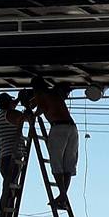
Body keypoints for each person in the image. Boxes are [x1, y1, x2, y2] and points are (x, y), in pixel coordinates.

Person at [30, 77, 78, 209]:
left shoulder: (41, 95)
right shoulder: (53, 94)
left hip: (58, 128)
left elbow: (38, 111)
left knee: (57, 164)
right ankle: (63, 196)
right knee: (68, 164)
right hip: (72, 128)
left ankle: (62, 195)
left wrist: (29, 111)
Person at [0, 92, 33, 217]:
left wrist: (19, 99)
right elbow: (27, 119)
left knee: (10, 191)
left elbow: (13, 107)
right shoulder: (9, 115)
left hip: (6, 158)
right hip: (11, 159)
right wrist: (28, 106)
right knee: (9, 192)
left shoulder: (0, 115)